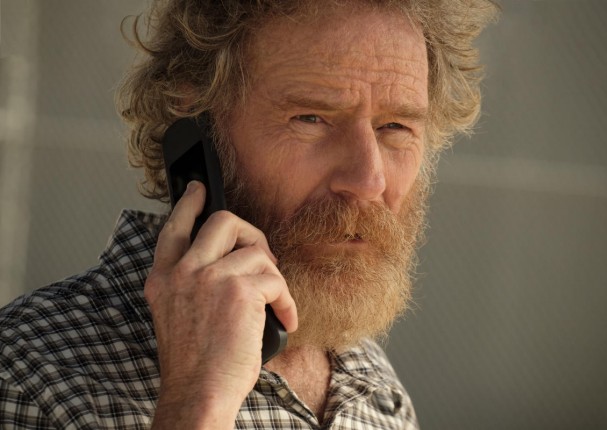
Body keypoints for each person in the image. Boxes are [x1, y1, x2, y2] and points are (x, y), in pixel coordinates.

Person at [0, 0, 498, 428]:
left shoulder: (373, 385)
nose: (369, 181)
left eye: (395, 127)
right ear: (197, 130)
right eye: (311, 118)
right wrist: (197, 402)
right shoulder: (26, 373)